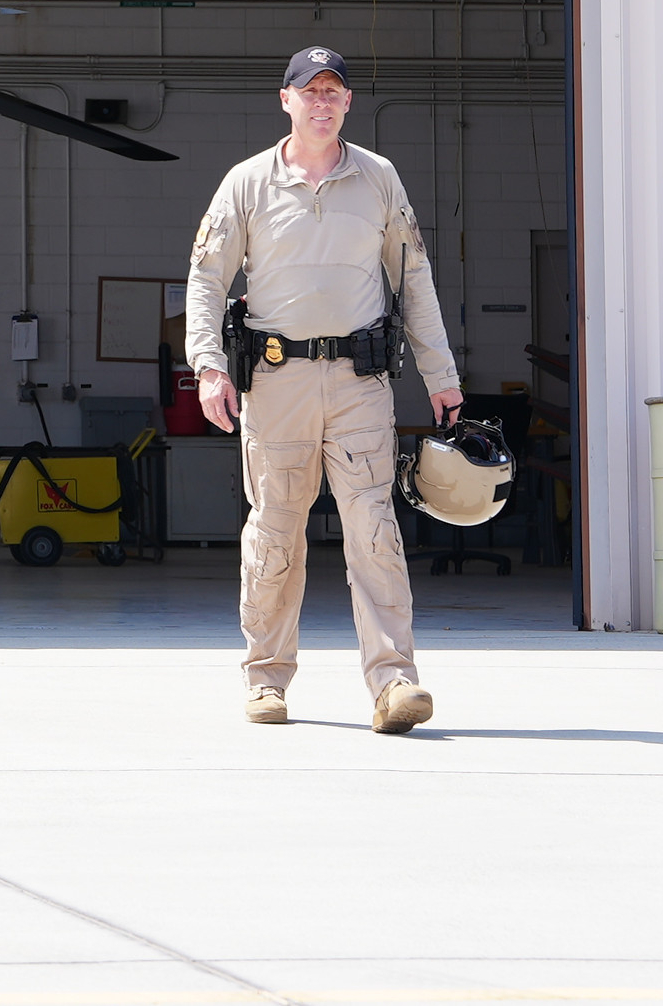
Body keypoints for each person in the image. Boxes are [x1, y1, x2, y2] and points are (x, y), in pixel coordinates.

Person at [185, 46, 463, 733]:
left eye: (333, 92)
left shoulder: (379, 178)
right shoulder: (247, 183)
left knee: (373, 527)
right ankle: (266, 679)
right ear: (286, 100)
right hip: (276, 383)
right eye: (310, 91)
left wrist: (441, 376)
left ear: (348, 103)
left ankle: (395, 683)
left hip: (358, 382)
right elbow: (207, 279)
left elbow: (414, 278)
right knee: (276, 531)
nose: (322, 102)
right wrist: (209, 366)